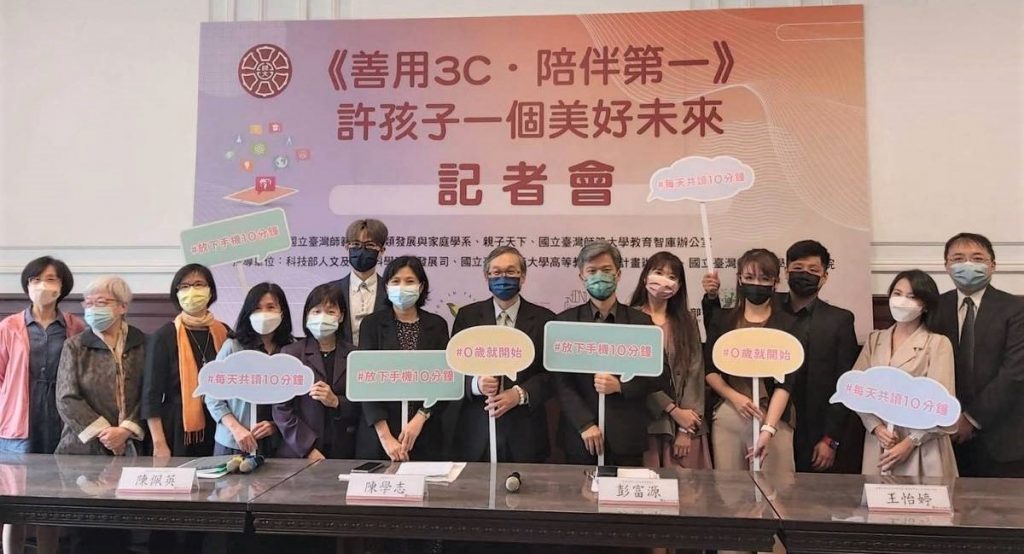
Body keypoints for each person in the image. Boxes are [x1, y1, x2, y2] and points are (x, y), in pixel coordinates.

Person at [703, 240, 860, 473]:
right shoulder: (767, 305)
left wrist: (831, 439)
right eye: (798, 268)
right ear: (786, 273)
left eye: (813, 270)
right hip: (745, 412)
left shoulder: (838, 320)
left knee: (782, 488)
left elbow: (843, 382)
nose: (804, 274)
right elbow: (717, 344)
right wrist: (711, 296)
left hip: (799, 421)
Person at [554, 241, 669, 467]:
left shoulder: (641, 323)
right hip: (580, 437)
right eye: (592, 271)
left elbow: (661, 376)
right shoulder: (565, 322)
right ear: (581, 277)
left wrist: (621, 386)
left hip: (626, 437)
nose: (599, 276)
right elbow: (560, 382)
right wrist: (584, 424)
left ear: (618, 274)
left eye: (606, 270)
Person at [0, 257, 84, 554]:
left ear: (62, 286)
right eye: (36, 280)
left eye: (51, 279)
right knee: (14, 499)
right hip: (19, 417)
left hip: (60, 417)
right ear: (27, 285)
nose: (42, 286)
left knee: (51, 498)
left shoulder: (74, 326)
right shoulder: (9, 327)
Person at [56, 276, 145, 554]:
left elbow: (152, 393)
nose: (93, 308)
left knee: (120, 532)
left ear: (122, 307)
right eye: (89, 303)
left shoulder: (143, 343)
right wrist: (106, 433)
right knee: (84, 532)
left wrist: (126, 430)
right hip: (81, 451)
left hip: (130, 448)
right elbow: (66, 398)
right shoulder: (75, 346)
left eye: (102, 302)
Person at [446, 246, 555, 463]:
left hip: (526, 433)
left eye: (511, 271)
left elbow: (552, 374)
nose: (503, 278)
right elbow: (452, 368)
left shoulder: (545, 319)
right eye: (496, 272)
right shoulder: (467, 317)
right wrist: (476, 384)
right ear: (486, 276)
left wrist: (520, 394)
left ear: (523, 276)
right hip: (476, 432)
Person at [933, 233, 1024, 477]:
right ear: (946, 266)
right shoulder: (934, 308)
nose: (967, 265)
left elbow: (1014, 373)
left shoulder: (1016, 309)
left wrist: (971, 419)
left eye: (977, 258)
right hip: (942, 434)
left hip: (1001, 437)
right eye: (958, 259)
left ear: (992, 265)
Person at [853, 270, 957, 477]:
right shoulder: (875, 339)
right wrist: (876, 427)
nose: (902, 301)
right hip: (880, 441)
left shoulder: (937, 343)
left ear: (925, 305)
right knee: (878, 495)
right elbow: (855, 390)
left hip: (922, 445)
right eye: (897, 293)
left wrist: (911, 441)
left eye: (911, 297)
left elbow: (943, 405)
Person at [704, 248, 800, 473]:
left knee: (777, 488)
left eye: (764, 279)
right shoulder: (723, 320)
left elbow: (786, 383)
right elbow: (710, 370)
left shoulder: (788, 324)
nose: (756, 284)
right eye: (749, 277)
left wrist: (768, 429)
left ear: (775, 282)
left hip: (774, 417)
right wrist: (735, 398)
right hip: (730, 413)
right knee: (730, 488)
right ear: (739, 279)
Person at [356, 256, 450, 462]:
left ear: (421, 286)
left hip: (425, 432)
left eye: (409, 281)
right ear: (386, 286)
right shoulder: (371, 325)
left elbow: (445, 380)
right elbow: (364, 382)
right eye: (396, 281)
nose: (402, 287)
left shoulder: (437, 325)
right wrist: (385, 436)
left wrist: (421, 417)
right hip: (379, 435)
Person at [630, 252, 710, 469]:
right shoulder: (630, 318)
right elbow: (635, 377)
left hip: (686, 427)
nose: (664, 280)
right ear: (645, 277)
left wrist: (686, 427)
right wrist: (672, 410)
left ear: (679, 286)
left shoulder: (687, 321)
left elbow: (695, 371)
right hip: (647, 422)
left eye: (672, 277)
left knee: (688, 486)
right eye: (658, 273)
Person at [142, 264, 230, 458]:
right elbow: (150, 395)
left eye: (199, 284)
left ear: (210, 291)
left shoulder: (225, 332)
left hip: (220, 423)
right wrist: (159, 443)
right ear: (177, 293)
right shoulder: (164, 336)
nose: (192, 291)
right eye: (185, 286)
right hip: (178, 427)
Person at [206, 283, 295, 456]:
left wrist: (275, 425)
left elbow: (297, 402)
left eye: (271, 307)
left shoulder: (291, 349)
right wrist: (236, 429)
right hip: (235, 442)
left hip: (278, 443)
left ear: (282, 312)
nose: (264, 313)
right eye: (257, 308)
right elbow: (212, 396)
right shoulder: (233, 347)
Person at [275, 284, 359, 460]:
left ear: (341, 316)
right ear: (307, 315)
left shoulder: (355, 355)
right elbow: (281, 409)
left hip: (343, 451)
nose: (322, 317)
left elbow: (363, 405)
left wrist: (337, 402)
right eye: (317, 311)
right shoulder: (291, 353)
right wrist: (308, 449)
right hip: (299, 453)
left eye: (330, 311)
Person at [327, 219, 389, 347]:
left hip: (381, 358)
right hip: (340, 358)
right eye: (355, 244)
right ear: (346, 247)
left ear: (382, 250)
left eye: (370, 245)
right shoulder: (330, 290)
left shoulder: (391, 291)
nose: (361, 250)